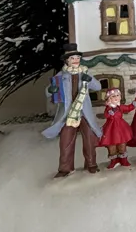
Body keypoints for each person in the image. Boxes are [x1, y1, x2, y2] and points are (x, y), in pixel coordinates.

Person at [43, 44, 102, 178]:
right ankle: (65, 168)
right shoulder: (61, 75)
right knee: (66, 140)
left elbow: (98, 87)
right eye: (72, 58)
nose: (76, 60)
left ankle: (91, 164)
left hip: (84, 112)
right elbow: (48, 91)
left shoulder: (85, 72)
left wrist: (90, 79)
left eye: (77, 58)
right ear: (66, 60)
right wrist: (51, 90)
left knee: (89, 138)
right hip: (68, 113)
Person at [99, 87, 135, 169]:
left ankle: (123, 160)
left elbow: (128, 108)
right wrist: (109, 112)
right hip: (111, 129)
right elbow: (106, 115)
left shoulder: (120, 107)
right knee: (112, 145)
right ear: (109, 98)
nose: (116, 97)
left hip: (121, 128)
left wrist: (133, 105)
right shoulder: (108, 108)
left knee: (122, 144)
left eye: (117, 95)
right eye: (113, 96)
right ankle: (114, 161)